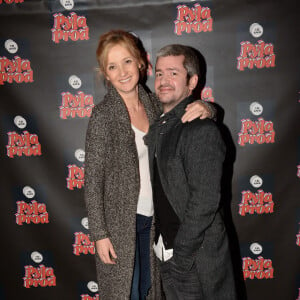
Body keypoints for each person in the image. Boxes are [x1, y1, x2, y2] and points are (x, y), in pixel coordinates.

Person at [84, 30, 215, 300]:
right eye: (112, 66)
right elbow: (93, 181)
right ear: (105, 74)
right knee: (127, 292)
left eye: (127, 61)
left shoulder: (155, 104)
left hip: (155, 223)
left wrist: (208, 108)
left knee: (148, 290)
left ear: (141, 63)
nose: (122, 71)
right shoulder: (103, 115)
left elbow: (188, 107)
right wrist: (99, 234)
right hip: (120, 224)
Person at [145, 44, 237, 300]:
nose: (164, 80)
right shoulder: (160, 123)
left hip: (194, 259)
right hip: (166, 254)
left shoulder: (200, 130)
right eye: (160, 73)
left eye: (173, 73)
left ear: (192, 81)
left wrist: (181, 255)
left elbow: (205, 201)